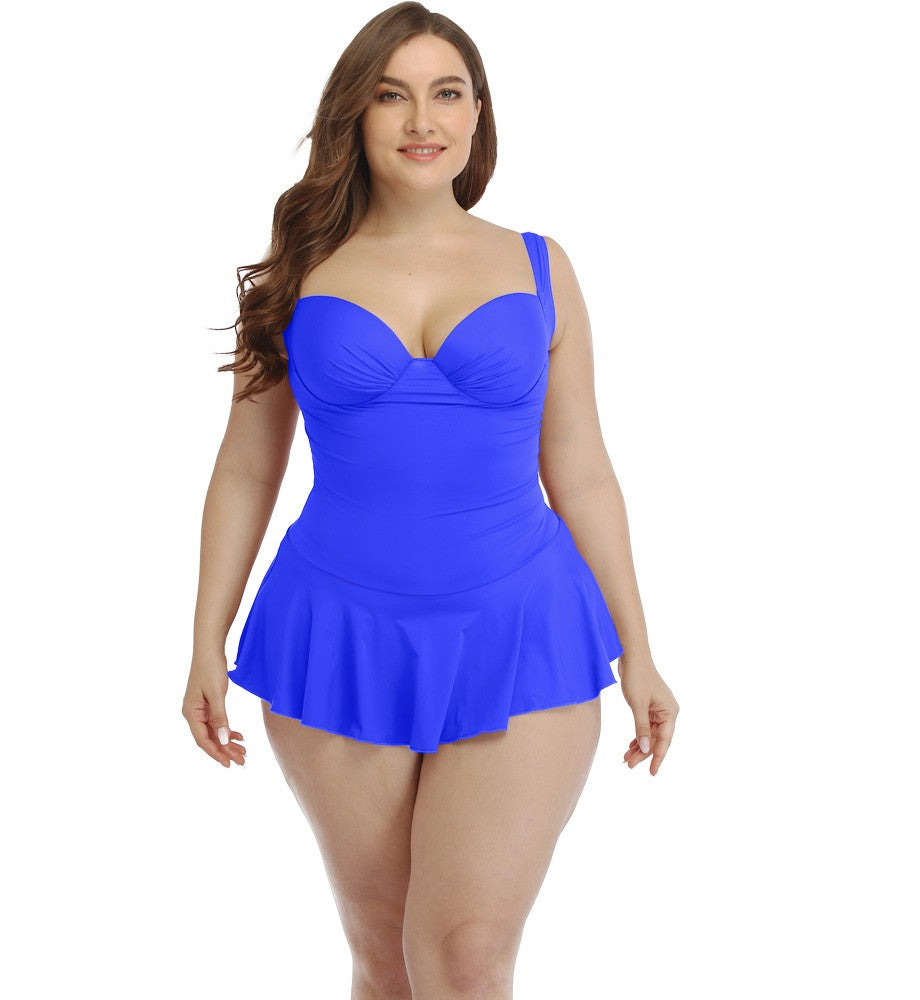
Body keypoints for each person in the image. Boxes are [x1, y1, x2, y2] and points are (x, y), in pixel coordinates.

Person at [183, 3, 679, 997]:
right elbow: (246, 466)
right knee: (383, 958)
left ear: (477, 112)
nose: (422, 120)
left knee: (462, 955)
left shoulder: (539, 265)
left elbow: (580, 465)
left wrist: (639, 649)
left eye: (446, 93)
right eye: (391, 95)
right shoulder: (298, 271)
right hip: (337, 634)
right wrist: (206, 639)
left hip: (520, 628)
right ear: (355, 115)